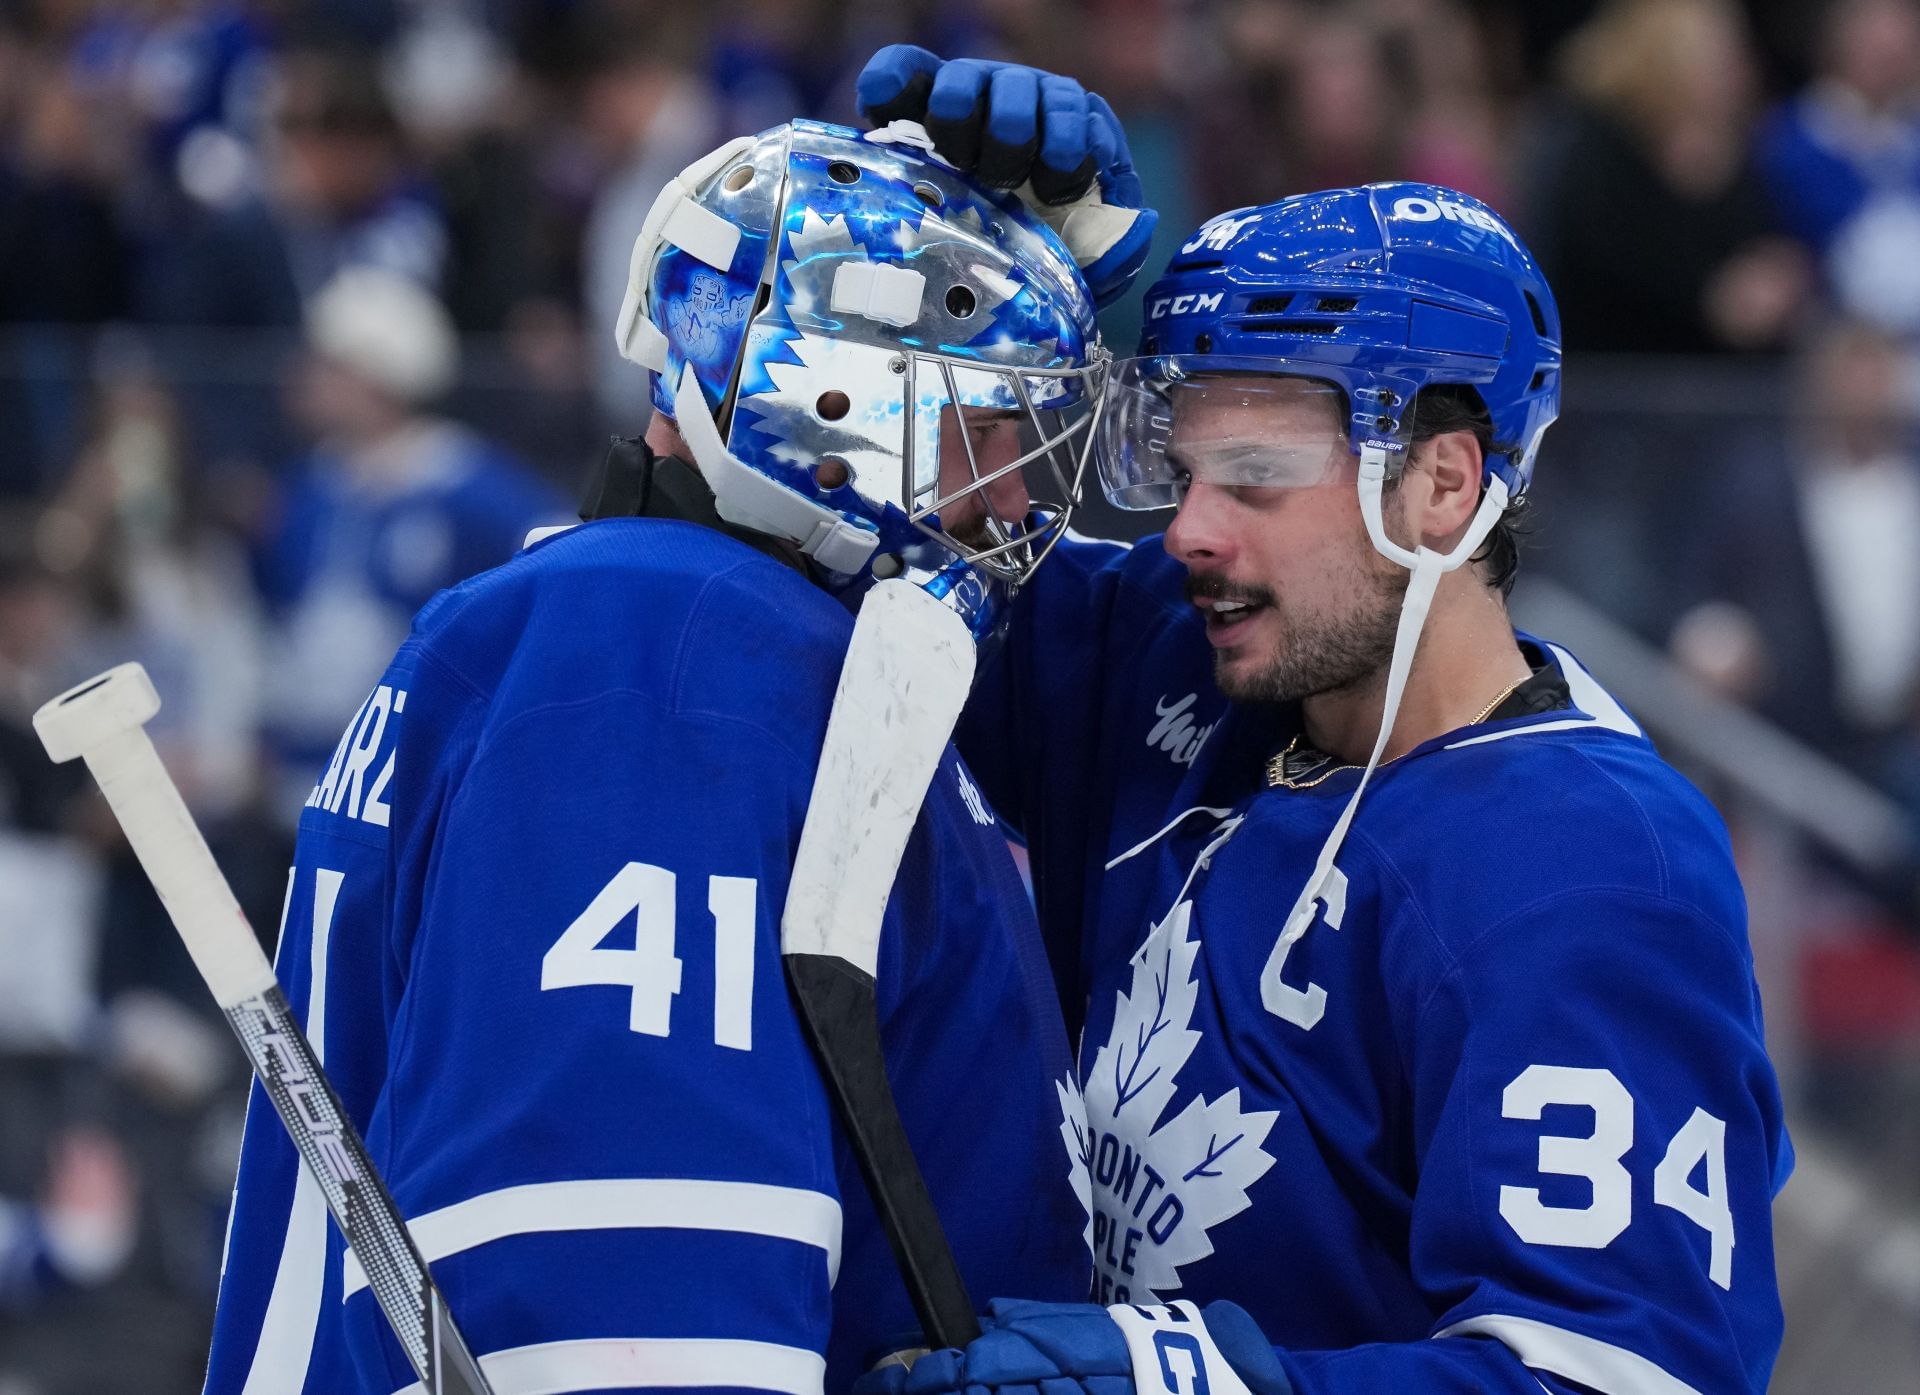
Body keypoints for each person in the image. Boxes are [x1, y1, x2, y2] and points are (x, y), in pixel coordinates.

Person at [852, 50, 1793, 1395]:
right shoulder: (1175, 661)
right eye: (1180, 472)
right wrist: (956, 266)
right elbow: (845, 568)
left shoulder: (1586, 866)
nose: (1187, 529)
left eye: (1254, 478)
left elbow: (1617, 1375)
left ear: (1445, 489)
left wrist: (1225, 1383)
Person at [202, 119, 1119, 1393]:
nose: (1014, 505)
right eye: (987, 436)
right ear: (825, 391)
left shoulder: (685, 633)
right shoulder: (666, 654)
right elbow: (621, 1332)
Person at [252, 265, 569, 821]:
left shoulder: (467, 486)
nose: (310, 379)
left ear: (377, 376)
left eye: (332, 366)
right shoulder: (313, 485)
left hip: (407, 771)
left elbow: (558, 564)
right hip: (303, 759)